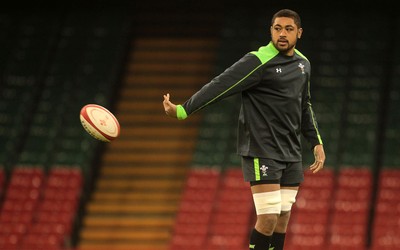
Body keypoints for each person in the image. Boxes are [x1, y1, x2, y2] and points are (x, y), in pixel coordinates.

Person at [163, 8, 325, 250]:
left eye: (288, 29)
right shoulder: (258, 60)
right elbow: (220, 85)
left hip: (291, 152)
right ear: (270, 31)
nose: (282, 33)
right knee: (268, 218)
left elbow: (305, 104)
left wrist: (316, 141)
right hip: (262, 149)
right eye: (277, 28)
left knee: (282, 219)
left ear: (299, 33)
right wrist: (183, 110)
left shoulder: (304, 65)